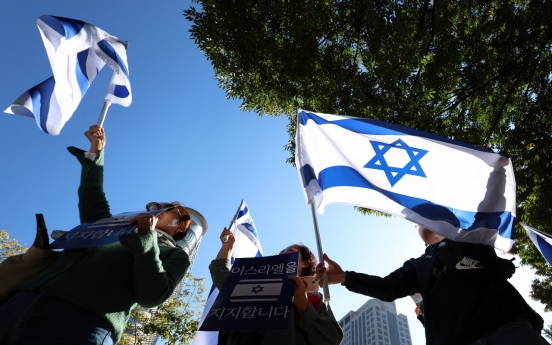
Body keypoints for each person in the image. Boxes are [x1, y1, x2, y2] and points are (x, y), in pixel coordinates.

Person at [0, 125, 195, 345]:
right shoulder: (113, 227)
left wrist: (146, 239)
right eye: (154, 205)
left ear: (181, 226)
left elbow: (152, 296)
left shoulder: (175, 255)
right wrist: (95, 154)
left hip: (82, 321)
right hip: (19, 302)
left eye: (166, 208)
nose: (156, 207)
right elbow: (93, 195)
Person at [317, 226, 545, 345]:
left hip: (511, 329)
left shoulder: (474, 237)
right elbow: (388, 288)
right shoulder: (417, 266)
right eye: (419, 220)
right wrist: (346, 277)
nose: (425, 220)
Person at [209, 228, 343, 345]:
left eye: (290, 251)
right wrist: (227, 247)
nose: (283, 254)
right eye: (281, 253)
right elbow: (223, 280)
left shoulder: (315, 300)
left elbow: (331, 339)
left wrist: (303, 306)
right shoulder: (257, 283)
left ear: (306, 263)